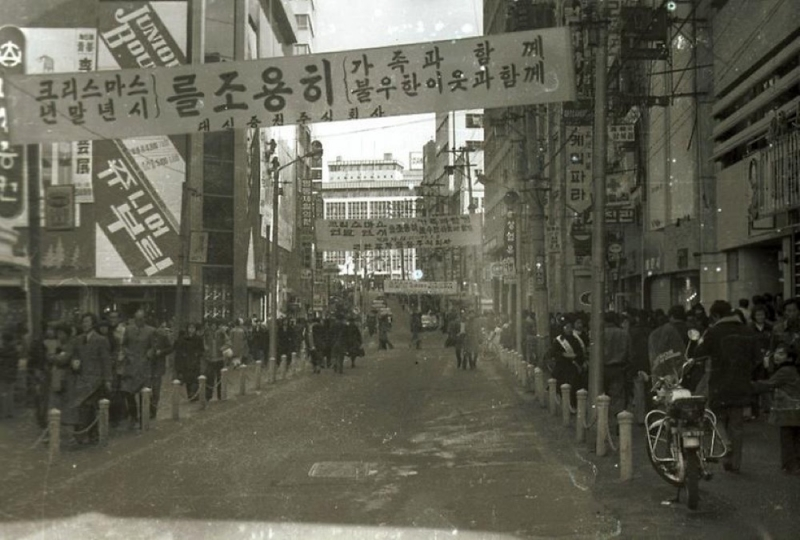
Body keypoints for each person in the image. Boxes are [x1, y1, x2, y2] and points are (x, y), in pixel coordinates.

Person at [693, 300, 759, 473]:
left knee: (716, 417)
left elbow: (699, 354)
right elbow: (757, 358)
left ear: (715, 315)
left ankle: (725, 442)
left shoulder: (713, 332)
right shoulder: (748, 331)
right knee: (737, 425)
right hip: (741, 382)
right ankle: (735, 464)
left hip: (719, 383)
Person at [752, 343, 800, 474]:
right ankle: (795, 463)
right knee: (795, 437)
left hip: (788, 410)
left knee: (787, 438)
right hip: (796, 408)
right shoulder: (793, 369)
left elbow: (769, 384)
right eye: (777, 353)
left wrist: (748, 385)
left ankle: (790, 465)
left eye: (781, 354)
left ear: (789, 358)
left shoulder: (785, 371)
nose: (777, 356)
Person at [69, 313, 112, 445]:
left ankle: (92, 434)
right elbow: (74, 355)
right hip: (82, 379)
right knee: (81, 407)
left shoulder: (101, 340)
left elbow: (106, 361)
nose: (84, 324)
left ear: (93, 323)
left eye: (87, 322)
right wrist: (74, 361)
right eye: (83, 322)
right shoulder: (78, 339)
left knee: (91, 407)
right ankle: (82, 435)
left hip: (96, 380)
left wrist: (107, 379)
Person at [119, 309, 155, 430]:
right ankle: (133, 415)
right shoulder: (128, 329)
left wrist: (149, 353)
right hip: (131, 365)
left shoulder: (151, 331)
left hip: (144, 366)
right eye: (136, 319)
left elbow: (154, 346)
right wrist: (128, 354)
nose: (139, 321)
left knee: (143, 393)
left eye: (141, 319)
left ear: (145, 319)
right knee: (128, 392)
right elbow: (123, 345)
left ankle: (143, 418)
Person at [551, 317, 586, 406]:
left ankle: (572, 404)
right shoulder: (559, 340)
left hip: (573, 366)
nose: (569, 330)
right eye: (567, 327)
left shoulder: (575, 339)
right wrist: (563, 355)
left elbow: (580, 352)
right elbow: (554, 352)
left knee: (574, 385)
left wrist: (575, 356)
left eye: (570, 327)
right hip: (562, 366)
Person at [603, 312, 631, 420]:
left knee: (602, 398)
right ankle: (619, 423)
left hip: (602, 368)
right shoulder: (624, 333)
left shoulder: (600, 333)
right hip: (619, 368)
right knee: (618, 398)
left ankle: (603, 422)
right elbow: (630, 352)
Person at [174, 323, 205, 401]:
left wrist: (197, 353)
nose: (191, 329)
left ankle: (194, 393)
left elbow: (202, 349)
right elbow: (179, 349)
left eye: (193, 328)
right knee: (188, 379)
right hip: (186, 361)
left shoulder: (198, 339)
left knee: (195, 378)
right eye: (190, 328)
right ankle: (190, 395)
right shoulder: (184, 339)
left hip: (195, 361)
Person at [0, 329, 18, 419]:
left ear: (5, 340)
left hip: (4, 374)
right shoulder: (14, 349)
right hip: (12, 374)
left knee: (3, 393)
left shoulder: (4, 350)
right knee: (10, 393)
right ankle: (10, 412)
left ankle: (4, 412)